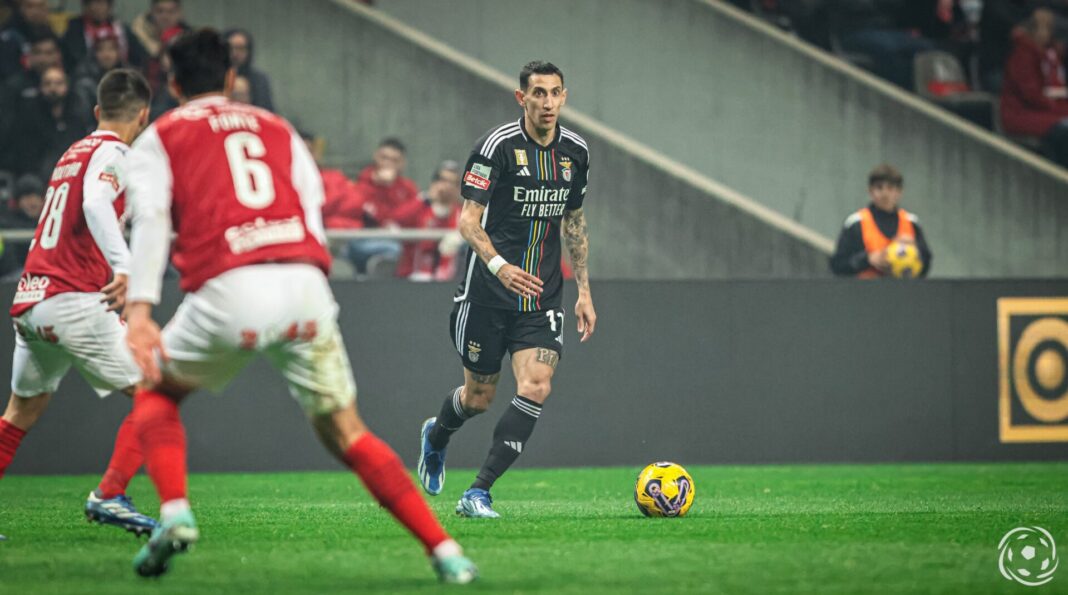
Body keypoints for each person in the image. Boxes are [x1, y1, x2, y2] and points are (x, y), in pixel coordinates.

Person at [121, 29, 477, 583]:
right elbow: (312, 206)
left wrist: (140, 311)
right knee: (348, 431)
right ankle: (446, 552)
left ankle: (175, 512)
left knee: (158, 392)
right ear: (232, 79)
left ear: (171, 83)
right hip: (304, 286)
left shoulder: (161, 137)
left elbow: (151, 219)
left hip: (231, 287)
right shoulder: (276, 126)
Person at [416, 61, 596, 518]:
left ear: (564, 97)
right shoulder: (495, 147)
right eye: (538, 93)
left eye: (555, 93)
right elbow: (467, 222)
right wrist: (499, 266)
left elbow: (573, 222)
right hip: (487, 295)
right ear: (522, 98)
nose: (548, 102)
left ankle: (478, 492)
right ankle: (437, 436)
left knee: (537, 385)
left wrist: (585, 292)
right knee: (477, 399)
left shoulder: (575, 151)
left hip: (541, 296)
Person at [0, 69, 159, 540]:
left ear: (96, 112)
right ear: (144, 116)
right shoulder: (117, 153)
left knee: (20, 412)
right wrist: (125, 268)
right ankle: (110, 495)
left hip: (31, 301)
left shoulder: (74, 152)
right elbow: (94, 203)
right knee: (156, 390)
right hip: (71, 298)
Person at [325, 137, 423, 277]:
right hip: (360, 239)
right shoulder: (361, 182)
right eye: (384, 158)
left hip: (396, 240)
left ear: (402, 164)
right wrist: (381, 187)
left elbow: (404, 218)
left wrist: (389, 189)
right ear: (376, 156)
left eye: (394, 160)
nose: (388, 163)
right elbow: (370, 214)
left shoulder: (408, 188)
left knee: (398, 250)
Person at [829, 163, 933, 278]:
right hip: (864, 292)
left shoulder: (912, 223)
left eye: (890, 188)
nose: (885, 194)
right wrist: (867, 259)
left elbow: (926, 266)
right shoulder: (856, 223)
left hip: (903, 292)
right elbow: (838, 265)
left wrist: (915, 250)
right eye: (879, 188)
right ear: (870, 191)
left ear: (899, 192)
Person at [999, 8, 1068, 166]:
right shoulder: (1023, 54)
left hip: (1041, 109)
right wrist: (1058, 109)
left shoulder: (1046, 54)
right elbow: (1031, 94)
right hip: (1021, 113)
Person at [9, 65, 95, 179]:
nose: (53, 88)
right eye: (47, 83)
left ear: (67, 86)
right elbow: (26, 153)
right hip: (37, 175)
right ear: (40, 87)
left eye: (58, 83)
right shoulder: (29, 116)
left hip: (72, 174)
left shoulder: (78, 115)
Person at [396, 160, 464, 281]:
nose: (446, 186)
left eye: (452, 183)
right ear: (434, 183)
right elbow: (397, 219)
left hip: (449, 280)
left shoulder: (463, 213)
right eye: (443, 180)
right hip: (414, 276)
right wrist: (426, 197)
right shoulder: (421, 206)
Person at [59, 0, 146, 73]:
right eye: (95, 3)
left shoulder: (121, 29)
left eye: (102, 3)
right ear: (86, 6)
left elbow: (140, 56)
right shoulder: (74, 30)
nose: (99, 8)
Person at [224, 28, 273, 111]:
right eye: (231, 48)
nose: (235, 53)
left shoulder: (259, 80)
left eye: (240, 48)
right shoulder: (214, 78)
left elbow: (266, 110)